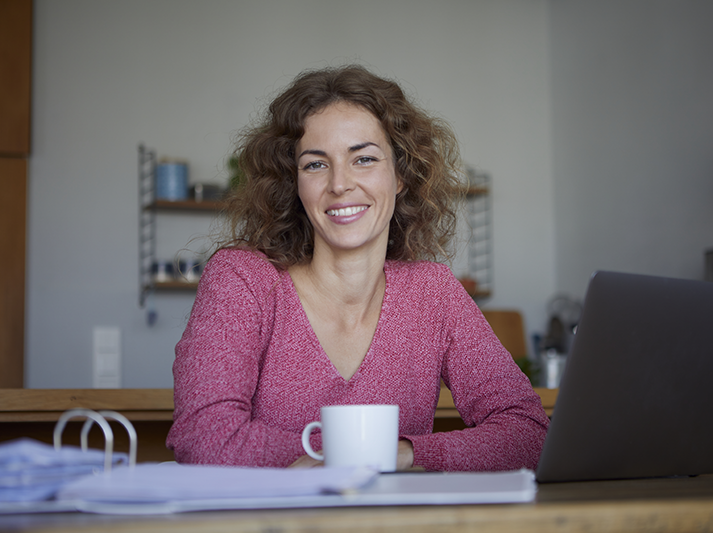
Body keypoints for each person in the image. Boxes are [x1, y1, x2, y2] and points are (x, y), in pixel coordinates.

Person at [166, 65, 549, 471]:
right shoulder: (242, 279)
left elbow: (528, 432)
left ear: (400, 175)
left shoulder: (433, 293)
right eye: (315, 164)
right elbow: (206, 438)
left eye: (363, 159)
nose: (340, 184)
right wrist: (368, 455)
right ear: (294, 183)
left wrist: (407, 454)